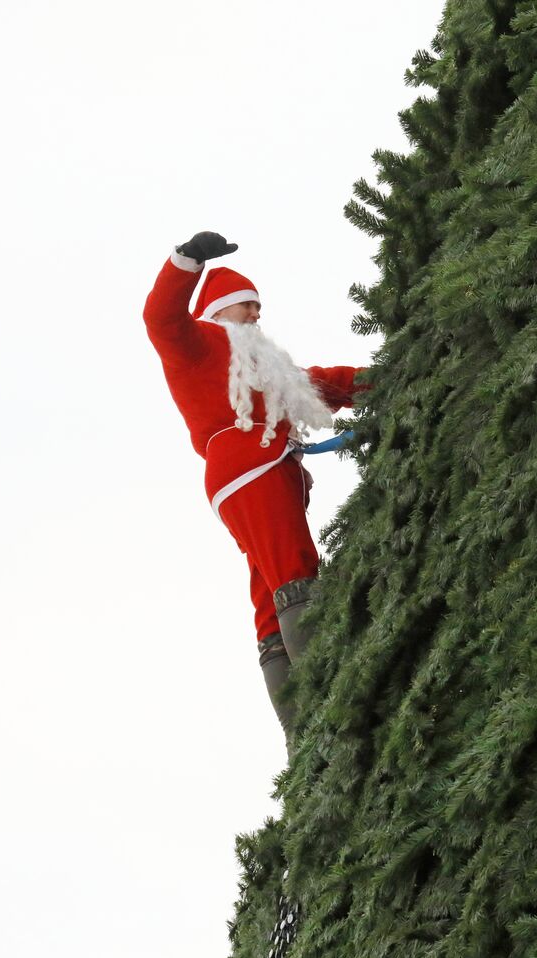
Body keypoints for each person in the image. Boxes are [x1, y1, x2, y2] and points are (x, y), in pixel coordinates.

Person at [142, 231, 368, 753]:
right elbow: (161, 319)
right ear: (219, 310)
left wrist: (386, 378)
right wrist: (186, 261)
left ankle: (301, 734)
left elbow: (324, 382)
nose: (256, 314)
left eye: (258, 306)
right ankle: (330, 697)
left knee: (269, 593)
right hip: (250, 466)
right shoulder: (200, 343)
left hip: (252, 471)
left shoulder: (264, 369)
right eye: (246, 304)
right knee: (293, 567)